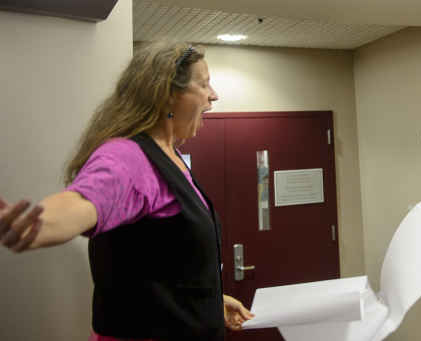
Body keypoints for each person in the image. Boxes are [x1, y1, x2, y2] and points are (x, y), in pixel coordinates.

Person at [0, 42, 254, 340]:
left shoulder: (171, 158)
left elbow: (164, 267)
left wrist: (209, 304)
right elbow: (85, 202)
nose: (214, 95)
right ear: (168, 95)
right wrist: (37, 224)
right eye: (204, 84)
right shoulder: (128, 156)